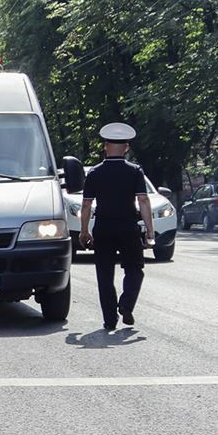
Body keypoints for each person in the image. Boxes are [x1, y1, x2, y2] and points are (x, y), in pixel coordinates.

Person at [79, 122, 155, 331]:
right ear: (126, 147)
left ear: (105, 146)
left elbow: (86, 204)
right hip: (128, 227)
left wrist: (84, 230)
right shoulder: (134, 171)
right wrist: (149, 231)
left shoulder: (94, 172)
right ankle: (126, 304)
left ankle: (109, 320)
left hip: (103, 228)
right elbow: (144, 201)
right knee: (135, 268)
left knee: (104, 275)